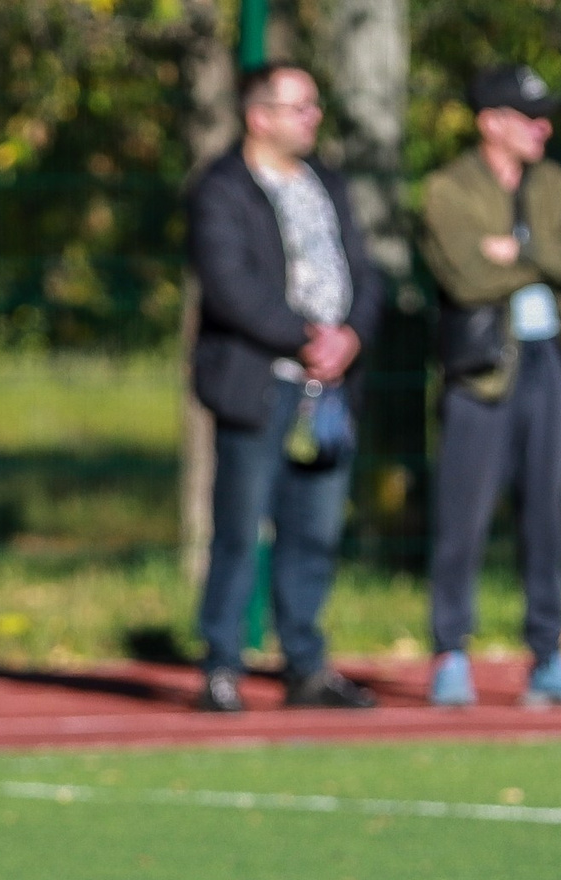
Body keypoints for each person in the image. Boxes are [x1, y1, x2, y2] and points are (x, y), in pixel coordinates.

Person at [187, 61, 386, 714]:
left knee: (316, 529)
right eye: (299, 107)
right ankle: (222, 665)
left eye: (314, 105)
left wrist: (350, 334)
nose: (313, 118)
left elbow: (364, 267)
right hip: (258, 386)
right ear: (259, 114)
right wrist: (305, 337)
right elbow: (230, 283)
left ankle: (305, 665)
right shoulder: (222, 188)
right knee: (240, 530)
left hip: (328, 390)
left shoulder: (325, 181)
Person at [418, 64, 561, 710]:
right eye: (529, 118)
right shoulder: (448, 189)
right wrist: (539, 260)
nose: (543, 129)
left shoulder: (555, 182)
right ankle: (451, 653)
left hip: (549, 362)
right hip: (482, 369)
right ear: (490, 123)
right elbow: (467, 277)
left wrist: (519, 251)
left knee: (546, 516)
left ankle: (548, 652)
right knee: (462, 517)